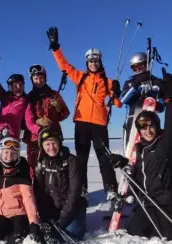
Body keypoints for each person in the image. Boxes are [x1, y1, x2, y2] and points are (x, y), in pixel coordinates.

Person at [46, 26, 122, 201]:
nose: (93, 63)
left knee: (104, 158)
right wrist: (56, 47)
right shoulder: (80, 77)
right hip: (81, 124)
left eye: (96, 61)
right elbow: (64, 66)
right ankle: (82, 189)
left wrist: (116, 91)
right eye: (90, 61)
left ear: (100, 62)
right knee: (81, 160)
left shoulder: (108, 82)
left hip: (99, 125)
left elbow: (117, 104)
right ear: (87, 63)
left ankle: (110, 189)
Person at [108, 76, 172, 242]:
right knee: (135, 233)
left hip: (165, 203)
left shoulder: (165, 145)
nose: (147, 131)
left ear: (157, 127)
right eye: (143, 128)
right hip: (147, 204)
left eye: (151, 126)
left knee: (171, 236)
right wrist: (123, 163)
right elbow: (138, 177)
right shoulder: (140, 149)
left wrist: (171, 99)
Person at [0, 137, 42, 244]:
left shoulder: (22, 171)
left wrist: (34, 222)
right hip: (2, 215)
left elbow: (28, 199)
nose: (9, 155)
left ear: (17, 155)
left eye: (13, 153)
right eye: (6, 152)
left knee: (17, 237)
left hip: (19, 214)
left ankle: (21, 234)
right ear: (1, 152)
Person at [33, 127, 86, 240]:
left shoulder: (71, 160)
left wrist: (64, 217)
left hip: (72, 205)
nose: (51, 147)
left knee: (73, 234)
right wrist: (45, 216)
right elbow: (40, 192)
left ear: (60, 143)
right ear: (41, 145)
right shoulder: (40, 164)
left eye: (54, 143)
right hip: (53, 206)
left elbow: (75, 190)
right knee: (49, 232)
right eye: (47, 144)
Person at [23, 64, 70, 171]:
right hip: (34, 139)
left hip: (54, 134)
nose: (39, 80)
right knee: (34, 166)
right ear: (32, 80)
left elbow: (65, 114)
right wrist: (38, 121)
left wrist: (59, 107)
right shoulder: (29, 97)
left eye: (41, 78)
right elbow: (27, 118)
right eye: (36, 78)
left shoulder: (54, 94)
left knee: (56, 165)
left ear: (45, 78)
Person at [0, 72, 38, 155]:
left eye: (21, 85)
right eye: (15, 85)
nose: (19, 87)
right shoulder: (4, 97)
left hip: (12, 138)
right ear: (10, 87)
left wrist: (39, 130)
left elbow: (30, 122)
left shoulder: (25, 101)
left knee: (10, 163)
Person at [120, 52, 164, 147]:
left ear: (146, 64)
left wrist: (153, 94)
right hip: (132, 119)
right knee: (131, 150)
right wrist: (135, 86)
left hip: (150, 121)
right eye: (134, 68)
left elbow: (162, 107)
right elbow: (122, 100)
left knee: (151, 149)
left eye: (140, 66)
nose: (137, 70)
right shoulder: (130, 82)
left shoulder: (155, 82)